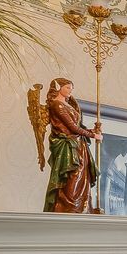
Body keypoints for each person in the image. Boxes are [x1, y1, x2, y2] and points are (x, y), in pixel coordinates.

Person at [43, 77, 100, 213]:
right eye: (68, 87)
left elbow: (77, 127)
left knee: (82, 178)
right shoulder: (57, 105)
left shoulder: (68, 105)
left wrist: (92, 130)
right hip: (68, 147)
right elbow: (72, 127)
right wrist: (93, 135)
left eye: (71, 88)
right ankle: (69, 207)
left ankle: (82, 207)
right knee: (73, 177)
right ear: (59, 87)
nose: (70, 90)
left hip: (79, 145)